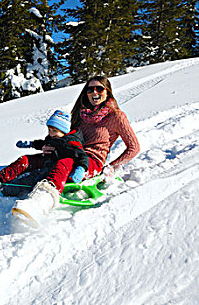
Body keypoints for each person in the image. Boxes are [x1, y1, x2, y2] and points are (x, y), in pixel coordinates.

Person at [12, 76, 140, 226]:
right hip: (69, 151)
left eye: (99, 88)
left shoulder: (117, 116)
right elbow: (64, 133)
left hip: (91, 161)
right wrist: (50, 144)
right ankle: (1, 186)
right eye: (90, 89)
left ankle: (39, 204)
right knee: (31, 161)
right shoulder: (81, 114)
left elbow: (134, 147)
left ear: (108, 92)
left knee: (64, 163)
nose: (94, 92)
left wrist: (112, 166)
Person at [0, 110, 89, 202]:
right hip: (46, 161)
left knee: (29, 180)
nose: (51, 133)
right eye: (49, 130)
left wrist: (80, 169)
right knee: (24, 160)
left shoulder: (71, 142)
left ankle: (1, 194)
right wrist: (30, 144)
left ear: (64, 131)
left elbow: (82, 156)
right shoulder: (54, 137)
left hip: (54, 169)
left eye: (55, 130)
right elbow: (44, 144)